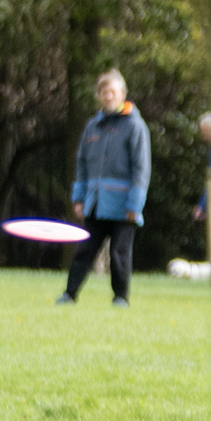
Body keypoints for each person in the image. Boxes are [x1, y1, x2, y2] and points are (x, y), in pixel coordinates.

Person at [58, 70, 151, 307]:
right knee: (84, 251)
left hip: (124, 206)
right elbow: (81, 163)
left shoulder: (135, 126)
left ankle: (120, 297)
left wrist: (135, 204)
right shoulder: (92, 126)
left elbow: (141, 168)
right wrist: (79, 199)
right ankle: (69, 294)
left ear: (122, 94)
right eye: (103, 92)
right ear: (98, 96)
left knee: (119, 254)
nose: (108, 96)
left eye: (112, 92)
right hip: (95, 203)